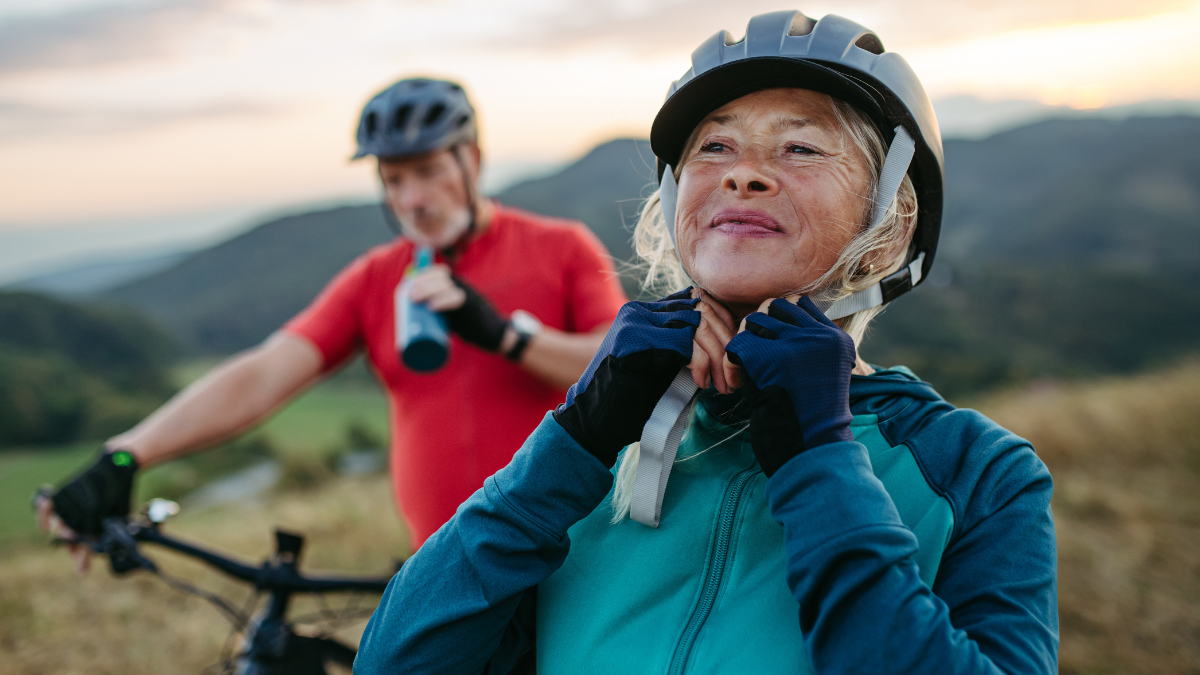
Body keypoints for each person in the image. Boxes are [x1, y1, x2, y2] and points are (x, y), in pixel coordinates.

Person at [353, 11, 1059, 675]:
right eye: (715, 146)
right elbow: (395, 660)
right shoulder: (602, 461)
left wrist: (820, 462)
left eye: (801, 146)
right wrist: (576, 435)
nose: (741, 171)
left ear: (891, 227)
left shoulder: (976, 472)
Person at [37, 77, 628, 564]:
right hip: (442, 566)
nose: (412, 199)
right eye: (393, 179)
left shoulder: (562, 247)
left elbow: (619, 362)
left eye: (426, 171)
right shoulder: (377, 278)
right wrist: (126, 454)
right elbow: (264, 374)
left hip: (568, 553)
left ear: (471, 160)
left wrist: (507, 335)